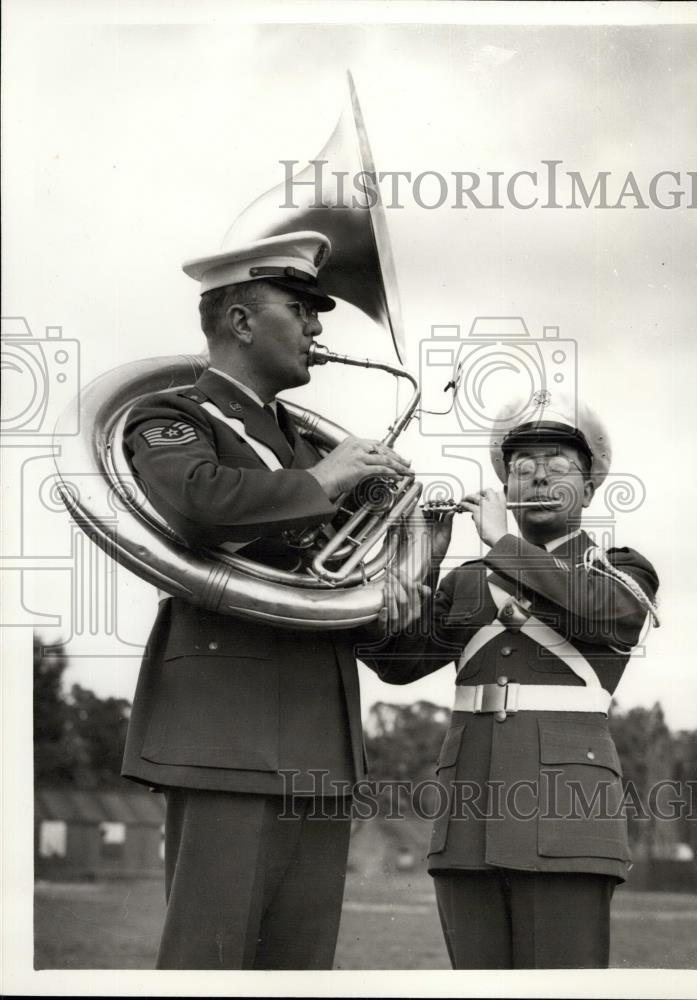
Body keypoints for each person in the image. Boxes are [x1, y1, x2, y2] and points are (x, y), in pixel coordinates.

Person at [121, 230, 417, 969]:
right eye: (303, 308)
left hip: (320, 736)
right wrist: (326, 484)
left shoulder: (314, 450)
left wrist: (408, 571)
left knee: (299, 967)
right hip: (224, 732)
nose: (320, 328)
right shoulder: (174, 415)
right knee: (208, 962)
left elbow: (346, 580)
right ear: (242, 321)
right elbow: (197, 503)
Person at [367, 394, 660, 969]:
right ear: (506, 481)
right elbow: (396, 665)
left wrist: (503, 543)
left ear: (591, 484)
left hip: (568, 820)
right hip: (465, 819)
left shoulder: (619, 568)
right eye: (523, 464)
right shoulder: (468, 581)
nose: (539, 473)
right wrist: (417, 563)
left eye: (558, 462)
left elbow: (603, 610)